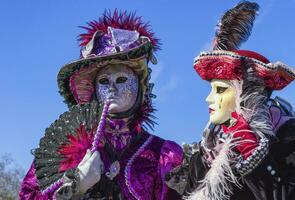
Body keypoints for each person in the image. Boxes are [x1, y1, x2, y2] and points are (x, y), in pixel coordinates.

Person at [19, 10, 183, 200]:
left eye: (122, 79)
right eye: (104, 81)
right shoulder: (67, 149)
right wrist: (78, 185)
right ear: (94, 90)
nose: (112, 87)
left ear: (141, 86)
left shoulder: (162, 154)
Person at [166, 1, 295, 200]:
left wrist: (254, 154)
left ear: (246, 94)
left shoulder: (286, 138)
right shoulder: (204, 155)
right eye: (211, 89)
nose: (208, 98)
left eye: (220, 90)